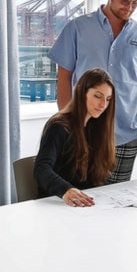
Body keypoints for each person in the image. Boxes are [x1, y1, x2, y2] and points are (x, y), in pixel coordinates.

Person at [50, 0, 137, 184]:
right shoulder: (78, 28)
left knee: (117, 205)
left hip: (126, 135)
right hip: (84, 134)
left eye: (135, 3)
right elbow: (64, 77)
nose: (129, 7)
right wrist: (68, 123)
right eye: (124, 0)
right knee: (83, 201)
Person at [34, 68, 117, 207]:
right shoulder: (59, 126)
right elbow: (41, 169)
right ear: (81, 92)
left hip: (85, 205)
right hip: (57, 203)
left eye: (108, 99)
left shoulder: (96, 126)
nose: (103, 105)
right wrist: (66, 190)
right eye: (97, 96)